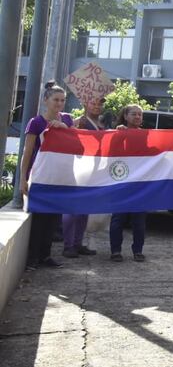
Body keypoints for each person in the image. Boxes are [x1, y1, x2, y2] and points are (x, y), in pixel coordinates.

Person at [21, 81, 74, 269]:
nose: (59, 103)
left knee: (53, 219)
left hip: (59, 176)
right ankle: (33, 258)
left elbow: (78, 145)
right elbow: (27, 153)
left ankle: (46, 255)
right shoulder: (36, 122)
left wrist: (64, 129)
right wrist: (23, 179)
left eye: (62, 100)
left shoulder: (68, 119)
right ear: (46, 100)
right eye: (55, 100)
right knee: (39, 219)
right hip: (40, 176)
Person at [60, 97, 106, 259]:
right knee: (71, 210)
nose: (96, 105)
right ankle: (68, 246)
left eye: (100, 103)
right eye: (93, 102)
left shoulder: (102, 125)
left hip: (93, 171)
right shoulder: (78, 122)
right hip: (76, 169)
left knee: (84, 210)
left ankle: (78, 243)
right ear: (85, 104)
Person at [109, 105, 149, 262]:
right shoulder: (118, 132)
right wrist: (121, 135)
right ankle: (115, 251)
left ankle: (138, 251)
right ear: (125, 116)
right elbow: (112, 153)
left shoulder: (145, 134)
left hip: (139, 184)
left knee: (139, 221)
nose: (138, 117)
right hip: (121, 182)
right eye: (134, 114)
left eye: (140, 114)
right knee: (118, 218)